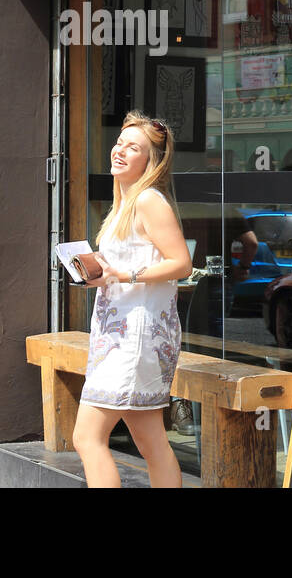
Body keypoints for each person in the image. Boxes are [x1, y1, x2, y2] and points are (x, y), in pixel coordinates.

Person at [72, 111, 192, 488]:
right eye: (120, 142)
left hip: (134, 338)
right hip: (126, 335)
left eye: (133, 147)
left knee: (87, 437)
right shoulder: (126, 202)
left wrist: (123, 275)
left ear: (150, 161)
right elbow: (131, 261)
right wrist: (100, 272)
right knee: (151, 440)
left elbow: (181, 263)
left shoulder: (148, 201)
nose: (120, 151)